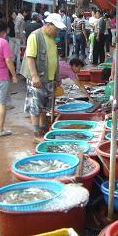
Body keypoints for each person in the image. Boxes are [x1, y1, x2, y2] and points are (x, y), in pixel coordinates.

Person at [20, 13, 66, 141]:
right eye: (56, 29)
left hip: (49, 78)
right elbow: (30, 57)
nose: (57, 32)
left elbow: (54, 59)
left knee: (45, 105)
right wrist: (34, 76)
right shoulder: (35, 36)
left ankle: (43, 126)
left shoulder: (52, 38)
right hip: (38, 78)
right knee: (35, 105)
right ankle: (36, 132)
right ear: (48, 25)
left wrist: (57, 77)